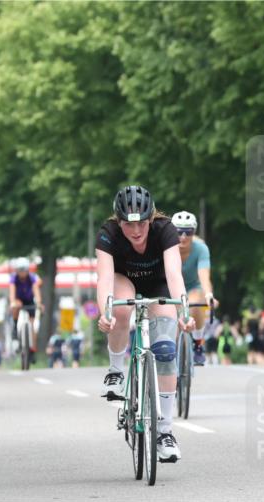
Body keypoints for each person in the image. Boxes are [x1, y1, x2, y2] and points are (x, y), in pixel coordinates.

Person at [96, 184, 194, 464]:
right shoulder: (108, 232)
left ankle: (164, 433)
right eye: (128, 225)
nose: (136, 232)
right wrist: (106, 311)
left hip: (159, 283)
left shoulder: (165, 229)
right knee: (120, 309)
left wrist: (184, 311)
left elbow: (175, 274)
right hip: (123, 279)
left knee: (165, 349)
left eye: (141, 225)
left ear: (151, 219)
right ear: (119, 222)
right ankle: (116, 370)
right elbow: (104, 277)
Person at [172, 211, 219, 366]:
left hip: (193, 287)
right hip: (170, 287)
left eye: (188, 232)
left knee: (195, 304)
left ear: (194, 232)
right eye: (179, 232)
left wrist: (209, 295)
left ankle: (198, 343)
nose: (183, 236)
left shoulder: (201, 249)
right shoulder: (166, 248)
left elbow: (204, 276)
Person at [9, 257, 42, 359]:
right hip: (18, 300)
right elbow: (12, 292)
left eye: (24, 270)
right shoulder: (14, 278)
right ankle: (15, 326)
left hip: (29, 300)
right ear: (17, 271)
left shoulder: (32, 278)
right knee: (16, 305)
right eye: (20, 270)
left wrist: (39, 303)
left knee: (32, 325)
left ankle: (32, 349)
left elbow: (36, 290)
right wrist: (12, 302)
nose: (22, 273)